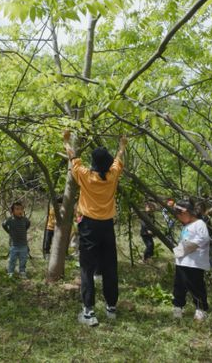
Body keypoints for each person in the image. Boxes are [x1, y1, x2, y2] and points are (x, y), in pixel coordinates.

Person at [63, 130, 126, 327]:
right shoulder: (113, 175)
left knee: (87, 268)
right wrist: (122, 144)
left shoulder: (84, 175)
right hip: (107, 226)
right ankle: (111, 308)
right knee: (109, 266)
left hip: (89, 226)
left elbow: (73, 156)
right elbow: (118, 158)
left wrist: (66, 140)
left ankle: (89, 312)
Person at [171, 200, 210, 322]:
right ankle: (178, 306)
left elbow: (203, 239)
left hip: (194, 263)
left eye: (179, 216)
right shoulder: (186, 226)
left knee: (196, 286)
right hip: (182, 262)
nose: (179, 219)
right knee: (179, 286)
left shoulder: (199, 224)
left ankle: (200, 309)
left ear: (186, 212)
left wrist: (187, 247)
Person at [2, 201, 31, 278]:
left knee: (23, 259)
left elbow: (28, 224)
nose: (19, 211)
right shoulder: (10, 220)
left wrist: (24, 230)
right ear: (12, 211)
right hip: (14, 244)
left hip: (23, 245)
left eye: (21, 209)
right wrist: (9, 232)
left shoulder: (25, 220)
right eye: (17, 209)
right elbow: (4, 224)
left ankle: (22, 271)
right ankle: (10, 272)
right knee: (12, 259)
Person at [43, 195, 63, 260]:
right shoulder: (52, 210)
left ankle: (56, 253)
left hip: (57, 229)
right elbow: (52, 220)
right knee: (48, 241)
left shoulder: (62, 211)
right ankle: (47, 252)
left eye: (61, 205)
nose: (59, 207)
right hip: (50, 227)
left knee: (57, 241)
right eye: (58, 205)